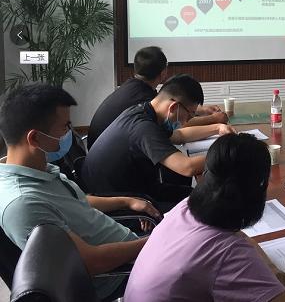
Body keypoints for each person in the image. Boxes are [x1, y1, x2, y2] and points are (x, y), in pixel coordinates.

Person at [0, 84, 159, 299]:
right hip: (119, 275)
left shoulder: (35, 169)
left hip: (130, 248)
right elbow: (90, 262)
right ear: (35, 138)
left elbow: (75, 201)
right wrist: (153, 242)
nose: (71, 133)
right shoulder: (23, 204)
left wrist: (126, 201)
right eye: (66, 126)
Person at [124, 133, 285, 302]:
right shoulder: (229, 255)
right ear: (260, 189)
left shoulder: (186, 208)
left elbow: (238, 236)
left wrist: (272, 270)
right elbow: (232, 248)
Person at [82, 74, 236, 208]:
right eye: (189, 115)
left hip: (135, 188)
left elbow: (179, 136)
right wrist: (232, 154)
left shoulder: (145, 112)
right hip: (120, 201)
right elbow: (186, 167)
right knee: (206, 204)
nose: (187, 121)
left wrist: (217, 128)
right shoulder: (143, 127)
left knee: (201, 195)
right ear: (173, 107)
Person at [87, 46, 227, 148]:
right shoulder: (144, 100)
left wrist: (200, 110)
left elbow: (175, 114)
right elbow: (178, 124)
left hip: (96, 151)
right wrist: (214, 120)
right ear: (163, 72)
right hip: (111, 158)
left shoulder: (134, 87)